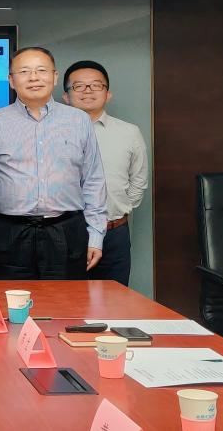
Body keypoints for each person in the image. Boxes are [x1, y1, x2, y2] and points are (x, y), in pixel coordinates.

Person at [0, 46, 107, 280]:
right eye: (24, 71)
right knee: (8, 300)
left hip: (66, 231)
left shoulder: (78, 120)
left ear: (55, 76)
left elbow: (93, 181)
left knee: (66, 301)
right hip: (7, 233)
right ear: (11, 80)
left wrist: (95, 236)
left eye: (41, 70)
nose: (34, 77)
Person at [63, 60, 148, 287]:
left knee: (113, 300)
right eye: (79, 86)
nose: (88, 91)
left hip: (114, 233)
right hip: (65, 232)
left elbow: (138, 181)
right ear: (66, 96)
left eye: (96, 85)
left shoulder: (129, 132)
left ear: (108, 94)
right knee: (66, 299)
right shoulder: (51, 134)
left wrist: (117, 209)